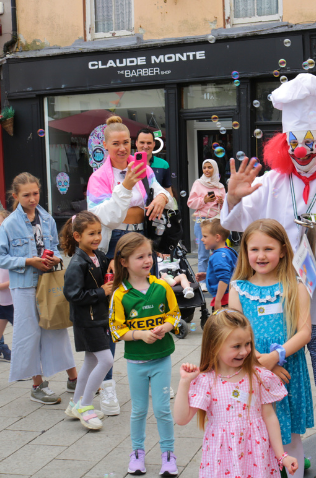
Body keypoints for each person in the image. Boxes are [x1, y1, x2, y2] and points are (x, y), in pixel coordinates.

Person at [221, 74, 316, 463]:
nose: (301, 150)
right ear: (282, 144)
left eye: (309, 141)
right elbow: (235, 224)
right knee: (273, 393)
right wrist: (232, 195)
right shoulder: (271, 183)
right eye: (293, 142)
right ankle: (279, 460)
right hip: (275, 314)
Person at [87, 115, 172, 414]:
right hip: (116, 247)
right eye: (116, 144)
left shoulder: (143, 168)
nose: (122, 148)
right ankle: (107, 386)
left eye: (127, 142)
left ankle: (156, 374)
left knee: (153, 304)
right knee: (114, 314)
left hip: (143, 242)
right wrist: (125, 186)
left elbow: (161, 190)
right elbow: (103, 217)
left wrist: (161, 197)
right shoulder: (99, 177)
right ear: (105, 146)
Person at [228, 219, 313, 477]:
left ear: (283, 250)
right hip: (250, 371)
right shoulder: (238, 289)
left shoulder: (296, 286)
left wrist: (276, 357)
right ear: (245, 252)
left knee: (291, 438)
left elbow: (305, 331)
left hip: (288, 371)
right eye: (254, 249)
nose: (261, 255)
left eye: (268, 249)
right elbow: (232, 334)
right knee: (255, 434)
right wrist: (260, 364)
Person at [173, 308, 299, 477]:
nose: (245, 351)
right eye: (236, 346)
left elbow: (269, 416)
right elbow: (181, 419)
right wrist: (184, 382)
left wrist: (282, 455)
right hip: (222, 460)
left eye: (248, 344)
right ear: (214, 346)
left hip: (257, 457)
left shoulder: (258, 376)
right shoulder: (206, 381)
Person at [0, 172, 77, 403]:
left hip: (47, 282)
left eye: (36, 193)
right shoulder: (9, 224)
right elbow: (2, 257)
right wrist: (28, 261)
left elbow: (56, 247)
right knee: (29, 333)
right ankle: (37, 385)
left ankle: (73, 379)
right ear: (16, 196)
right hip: (23, 285)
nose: (33, 199)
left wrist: (56, 258)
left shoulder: (47, 219)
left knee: (56, 327)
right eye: (26, 195)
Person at [109, 232, 181, 476]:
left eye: (149, 254)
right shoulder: (120, 295)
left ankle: (168, 455)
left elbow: (175, 314)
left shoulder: (162, 286)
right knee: (138, 410)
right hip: (136, 363)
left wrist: (167, 326)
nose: (147, 260)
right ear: (124, 261)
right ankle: (137, 453)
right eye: (140, 256)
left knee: (162, 409)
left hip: (162, 359)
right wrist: (139, 335)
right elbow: (116, 330)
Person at [61, 211, 114, 429]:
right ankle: (86, 405)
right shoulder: (77, 263)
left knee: (91, 361)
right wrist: (101, 292)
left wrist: (112, 265)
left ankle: (75, 404)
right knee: (106, 361)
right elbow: (72, 295)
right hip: (87, 321)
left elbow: (105, 265)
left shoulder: (97, 255)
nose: (97, 237)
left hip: (97, 318)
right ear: (77, 236)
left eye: (99, 232)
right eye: (91, 233)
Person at [187, 159, 226, 292]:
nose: (207, 170)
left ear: (215, 169)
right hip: (202, 221)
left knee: (218, 252)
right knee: (203, 253)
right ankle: (202, 281)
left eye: (210, 167)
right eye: (204, 168)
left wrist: (222, 201)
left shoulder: (220, 186)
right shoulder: (198, 183)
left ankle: (217, 279)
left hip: (216, 221)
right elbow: (190, 203)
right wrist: (204, 200)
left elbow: (227, 206)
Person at [195, 218, 237, 311]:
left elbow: (224, 278)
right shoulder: (227, 251)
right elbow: (229, 273)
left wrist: (218, 300)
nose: (202, 239)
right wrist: (208, 275)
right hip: (230, 297)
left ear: (217, 237)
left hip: (224, 300)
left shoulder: (218, 256)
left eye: (205, 236)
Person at [136, 128, 172, 193]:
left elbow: (168, 191)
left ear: (154, 144)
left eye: (149, 143)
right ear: (136, 143)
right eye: (142, 142)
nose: (145, 146)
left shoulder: (163, 164)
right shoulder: (128, 163)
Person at [0, 210, 13, 362]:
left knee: (23, 335)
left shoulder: (11, 247)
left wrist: (4, 285)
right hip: (2, 300)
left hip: (12, 299)